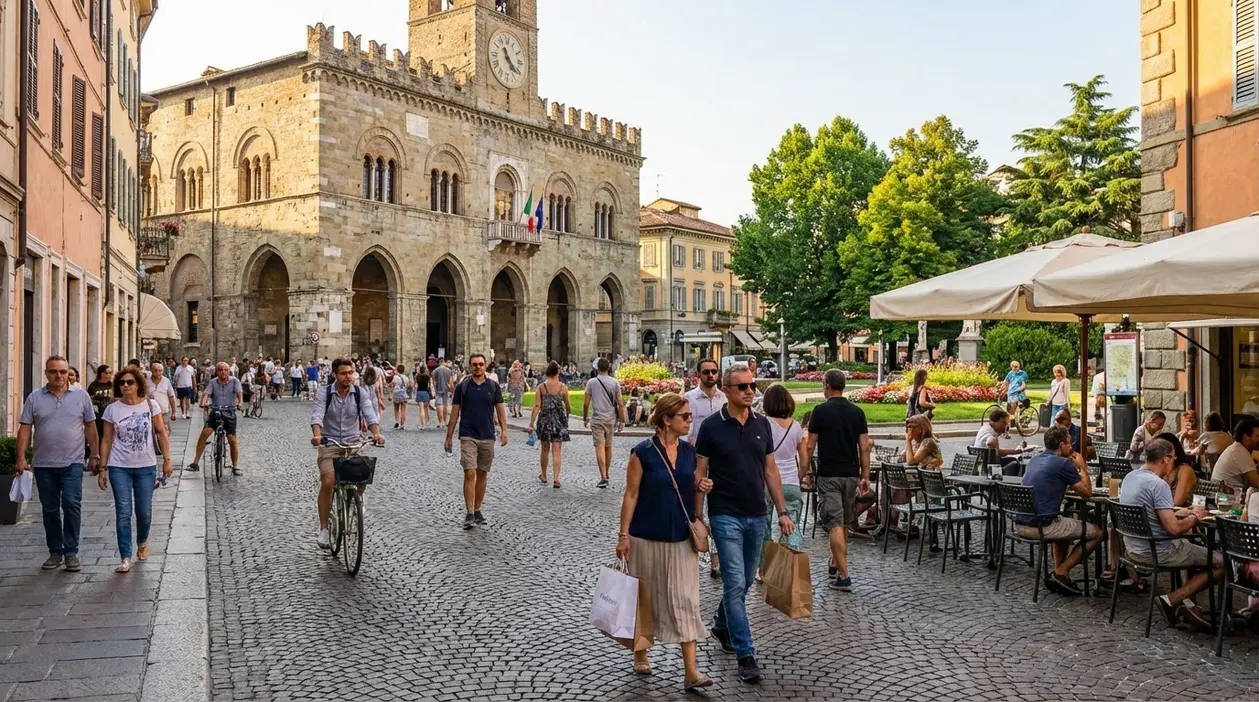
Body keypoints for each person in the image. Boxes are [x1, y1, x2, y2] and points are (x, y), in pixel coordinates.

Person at [694, 365, 793, 685]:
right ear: (727, 390)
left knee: (747, 578)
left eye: (752, 386)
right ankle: (745, 653)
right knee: (735, 581)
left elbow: (771, 471)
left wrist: (782, 510)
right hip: (725, 514)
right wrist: (699, 518)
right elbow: (699, 475)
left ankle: (722, 625)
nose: (750, 391)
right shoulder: (710, 427)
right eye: (743, 387)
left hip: (757, 514)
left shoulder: (762, 424)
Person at [615, 392, 714, 692]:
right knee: (644, 599)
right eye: (684, 417)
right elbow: (630, 495)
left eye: (690, 416)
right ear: (666, 420)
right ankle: (640, 652)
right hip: (645, 535)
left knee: (686, 600)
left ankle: (691, 671)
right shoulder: (642, 453)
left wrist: (701, 485)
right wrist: (623, 535)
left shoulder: (689, 452)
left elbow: (692, 484)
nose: (690, 421)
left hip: (681, 538)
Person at [1119, 439, 1223, 631]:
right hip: (1159, 551)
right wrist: (1193, 517)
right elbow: (1173, 529)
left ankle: (1190, 605)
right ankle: (1173, 599)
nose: (1174, 462)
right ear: (1166, 458)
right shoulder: (1158, 485)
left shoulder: (1130, 477)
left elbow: (1156, 516)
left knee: (1194, 550)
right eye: (1173, 458)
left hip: (1132, 550)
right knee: (1222, 562)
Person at [16, 356, 100, 572]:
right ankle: (55, 551)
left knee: (72, 504)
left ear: (68, 372)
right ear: (46, 374)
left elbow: (90, 426)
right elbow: (25, 428)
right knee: (50, 509)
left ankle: (71, 551)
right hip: (43, 463)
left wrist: (95, 455)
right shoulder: (35, 398)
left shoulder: (81, 397)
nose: (59, 376)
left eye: (62, 371)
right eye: (54, 372)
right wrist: (21, 458)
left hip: (72, 462)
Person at [98, 366, 171, 573]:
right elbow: (106, 439)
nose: (126, 386)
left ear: (138, 384)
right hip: (119, 466)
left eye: (130, 382)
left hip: (145, 466)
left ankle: (141, 542)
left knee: (144, 511)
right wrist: (102, 468)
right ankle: (125, 557)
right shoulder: (113, 409)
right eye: (122, 383)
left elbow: (161, 433)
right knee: (123, 511)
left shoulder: (151, 405)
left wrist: (167, 460)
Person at [1016, 426, 1102, 596]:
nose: (1072, 447)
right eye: (1070, 443)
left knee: (1063, 522)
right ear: (1062, 445)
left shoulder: (1034, 460)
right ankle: (1062, 571)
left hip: (1021, 523)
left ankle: (1059, 575)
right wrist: (1083, 467)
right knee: (1098, 533)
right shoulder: (1062, 463)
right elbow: (1087, 493)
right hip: (1042, 525)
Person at [807, 369, 871, 592]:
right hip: (851, 474)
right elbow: (864, 446)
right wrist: (865, 475)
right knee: (843, 521)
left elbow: (809, 445)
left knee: (834, 523)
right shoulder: (857, 412)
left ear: (826, 385)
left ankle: (844, 576)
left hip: (829, 474)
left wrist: (804, 472)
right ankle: (835, 562)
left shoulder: (820, 412)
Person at [311, 358, 385, 549]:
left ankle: (356, 498)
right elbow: (317, 415)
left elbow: (369, 414)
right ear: (334, 374)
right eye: (344, 373)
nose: (348, 377)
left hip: (353, 443)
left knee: (363, 477)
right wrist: (317, 436)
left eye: (351, 373)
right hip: (330, 443)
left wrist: (376, 433)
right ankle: (324, 529)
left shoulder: (359, 393)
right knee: (329, 480)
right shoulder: (324, 393)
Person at [445, 354, 508, 530]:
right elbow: (455, 413)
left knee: (482, 473)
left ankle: (478, 508)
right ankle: (469, 512)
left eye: (481, 364)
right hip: (467, 435)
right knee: (469, 472)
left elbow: (501, 410)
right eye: (475, 364)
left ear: (485, 366)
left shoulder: (493, 387)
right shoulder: (462, 387)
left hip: (487, 435)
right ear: (470, 366)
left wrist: (504, 431)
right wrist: (449, 436)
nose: (478, 367)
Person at [686, 357, 727, 577]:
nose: (710, 375)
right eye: (706, 372)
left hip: (721, 463)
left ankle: (716, 561)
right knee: (697, 511)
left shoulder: (724, 398)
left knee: (718, 511)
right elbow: (688, 431)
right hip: (697, 460)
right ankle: (696, 551)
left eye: (714, 371)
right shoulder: (690, 398)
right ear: (698, 375)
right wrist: (701, 449)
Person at [761, 384, 807, 564]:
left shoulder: (762, 423)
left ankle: (763, 567)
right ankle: (792, 562)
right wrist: (800, 476)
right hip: (790, 482)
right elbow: (804, 459)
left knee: (764, 526)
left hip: (766, 482)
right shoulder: (795, 427)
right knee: (791, 524)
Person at [188, 363, 243, 476]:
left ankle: (235, 466)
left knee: (232, 439)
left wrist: (240, 402)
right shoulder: (213, 382)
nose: (223, 372)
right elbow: (206, 393)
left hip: (229, 412)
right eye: (220, 370)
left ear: (228, 371)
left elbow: (239, 393)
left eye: (225, 370)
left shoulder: (234, 381)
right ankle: (195, 462)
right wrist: (203, 402)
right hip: (216, 411)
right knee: (205, 433)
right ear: (217, 372)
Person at [583, 358, 626, 489]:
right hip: (610, 419)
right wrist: (622, 421)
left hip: (597, 419)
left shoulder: (592, 382)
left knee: (600, 447)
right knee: (608, 447)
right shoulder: (614, 383)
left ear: (597, 368)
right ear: (608, 368)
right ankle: (607, 474)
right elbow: (620, 403)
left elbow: (586, 403)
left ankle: (603, 477)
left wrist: (585, 417)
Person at [527, 361, 571, 488]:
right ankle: (556, 479)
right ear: (558, 372)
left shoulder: (541, 387)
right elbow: (568, 406)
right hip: (559, 421)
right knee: (557, 450)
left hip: (545, 420)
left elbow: (537, 406)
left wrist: (531, 423)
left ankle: (544, 475)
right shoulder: (563, 388)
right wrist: (567, 415)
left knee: (545, 449)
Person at [1210, 414, 1259, 492]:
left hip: (1225, 495)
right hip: (1230, 499)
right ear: (1246, 437)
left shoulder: (1237, 448)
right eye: (1257, 436)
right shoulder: (1240, 452)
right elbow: (1255, 482)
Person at [1153, 432, 1198, 507]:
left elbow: (1177, 502)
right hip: (1165, 512)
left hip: (1186, 514)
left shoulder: (1184, 470)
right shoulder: (1161, 469)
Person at [87, 365, 115, 443]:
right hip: (98, 416)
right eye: (106, 373)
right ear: (101, 374)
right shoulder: (93, 386)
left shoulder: (112, 385)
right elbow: (90, 400)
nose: (108, 375)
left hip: (111, 414)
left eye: (110, 373)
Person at [148, 362, 177, 427]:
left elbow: (171, 397)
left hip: (164, 412)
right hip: (151, 412)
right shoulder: (146, 381)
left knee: (165, 431)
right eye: (155, 370)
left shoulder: (166, 381)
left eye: (160, 370)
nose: (158, 372)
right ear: (151, 371)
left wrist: (174, 412)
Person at [432, 358, 454, 429]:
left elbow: (434, 382)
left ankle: (440, 422)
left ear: (439, 363)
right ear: (444, 362)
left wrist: (434, 390)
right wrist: (452, 390)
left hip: (439, 390)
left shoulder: (435, 370)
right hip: (447, 390)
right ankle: (445, 421)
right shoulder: (449, 370)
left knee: (439, 406)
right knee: (445, 405)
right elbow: (451, 382)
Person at [414, 364, 432, 429]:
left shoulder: (417, 376)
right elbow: (430, 386)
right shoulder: (428, 377)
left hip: (419, 392)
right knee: (425, 408)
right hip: (426, 392)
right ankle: (426, 421)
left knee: (421, 410)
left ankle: (422, 424)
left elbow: (415, 384)